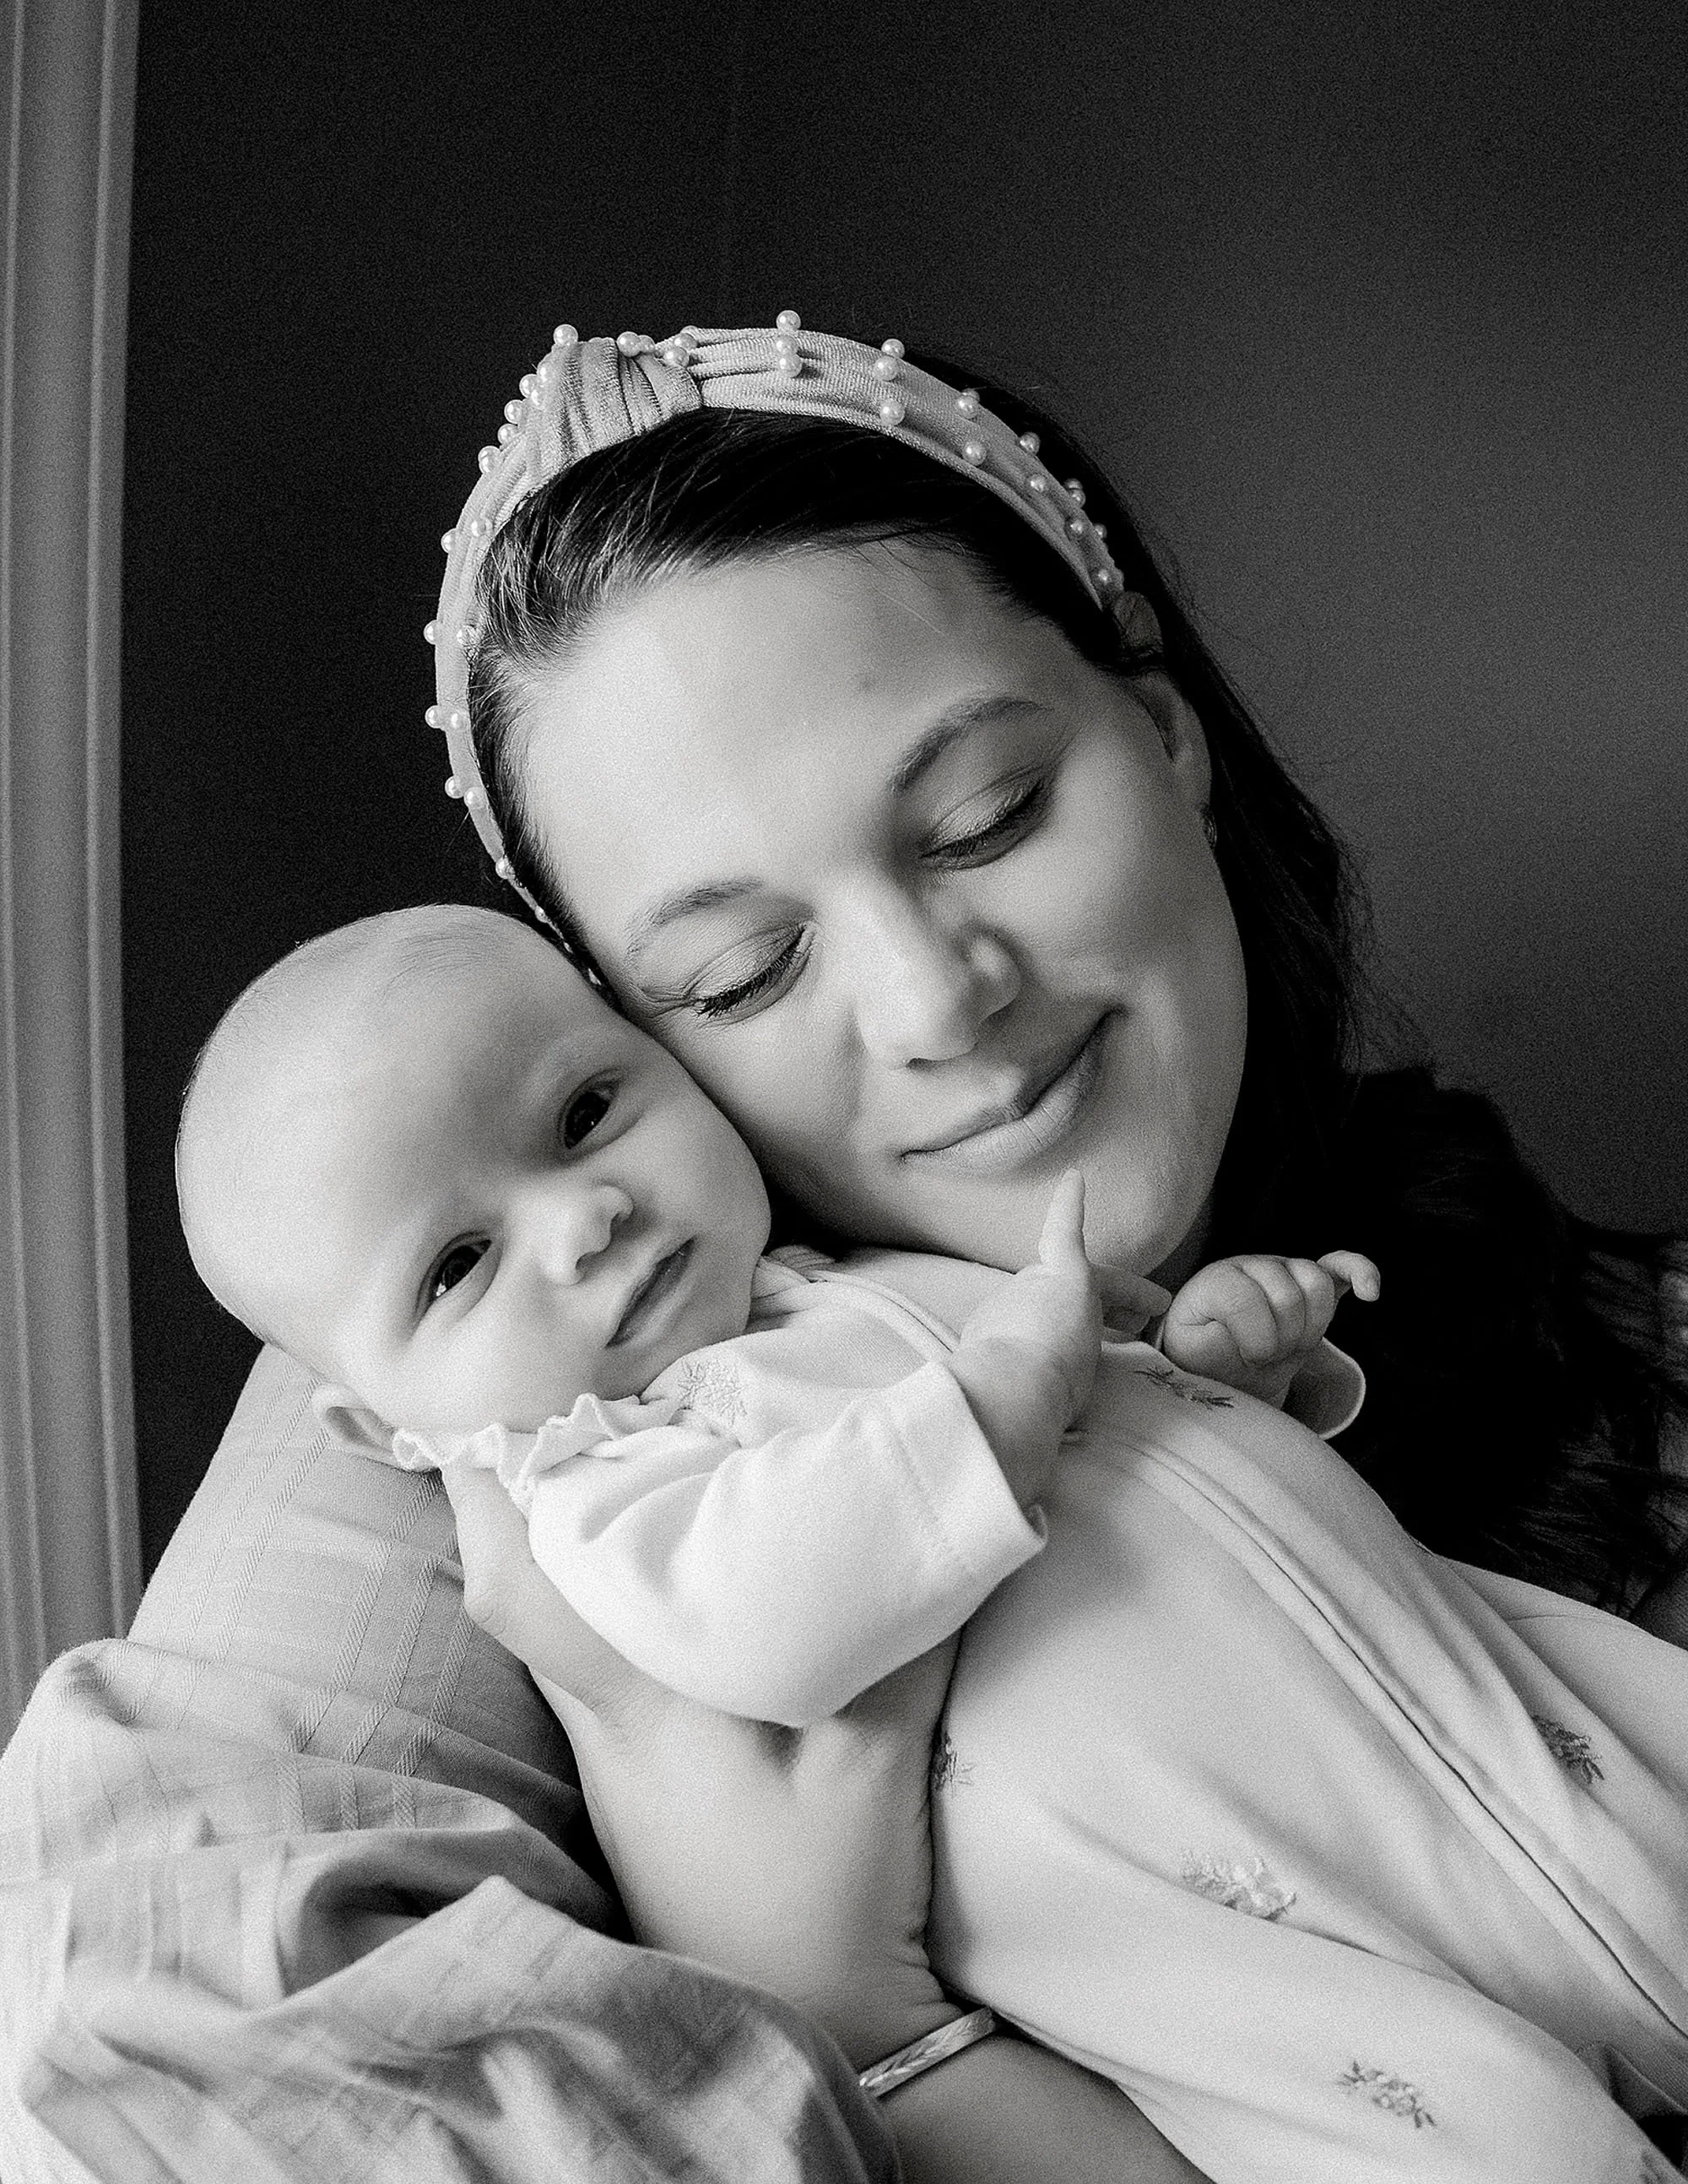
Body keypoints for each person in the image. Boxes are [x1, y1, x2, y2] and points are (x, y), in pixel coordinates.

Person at [2, 312, 1684, 2184]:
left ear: (1166, 733)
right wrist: (844, 2024)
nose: (932, 1003)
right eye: (740, 973)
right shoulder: (500, 1402)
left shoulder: (1610, 1330)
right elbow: (179, 2022)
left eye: (988, 816)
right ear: (637, 1016)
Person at [174, 894, 1688, 2178]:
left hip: (1474, 1706)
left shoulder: (851, 1279)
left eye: (584, 1115)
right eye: (456, 1264)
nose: (583, 1222)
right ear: (384, 1429)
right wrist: (1004, 1395)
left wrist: (1232, 1362)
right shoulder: (598, 1493)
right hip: (1253, 1932)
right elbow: (773, 1607)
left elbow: (1167, 1444)